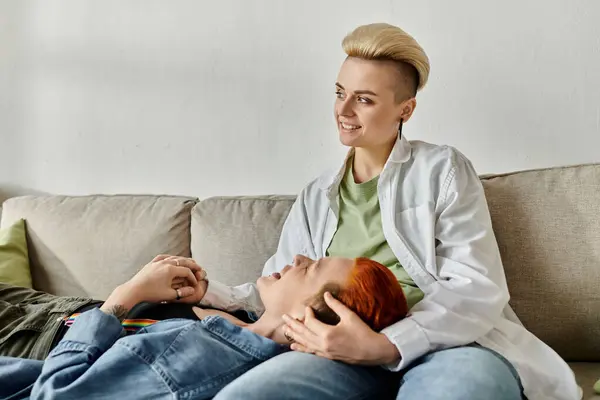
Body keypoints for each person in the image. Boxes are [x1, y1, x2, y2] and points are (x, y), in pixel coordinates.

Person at [198, 23, 580, 400]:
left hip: (451, 347)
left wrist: (385, 346)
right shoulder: (317, 195)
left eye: (364, 99)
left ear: (406, 109)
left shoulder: (442, 169)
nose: (343, 110)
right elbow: (278, 286)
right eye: (339, 92)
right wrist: (208, 291)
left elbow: (476, 286)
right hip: (334, 353)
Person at [0, 255, 408, 399]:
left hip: (34, 342)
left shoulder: (195, 357)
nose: (299, 258)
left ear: (305, 319)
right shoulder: (243, 331)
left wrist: (123, 295)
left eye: (313, 269)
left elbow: (54, 397)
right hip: (48, 319)